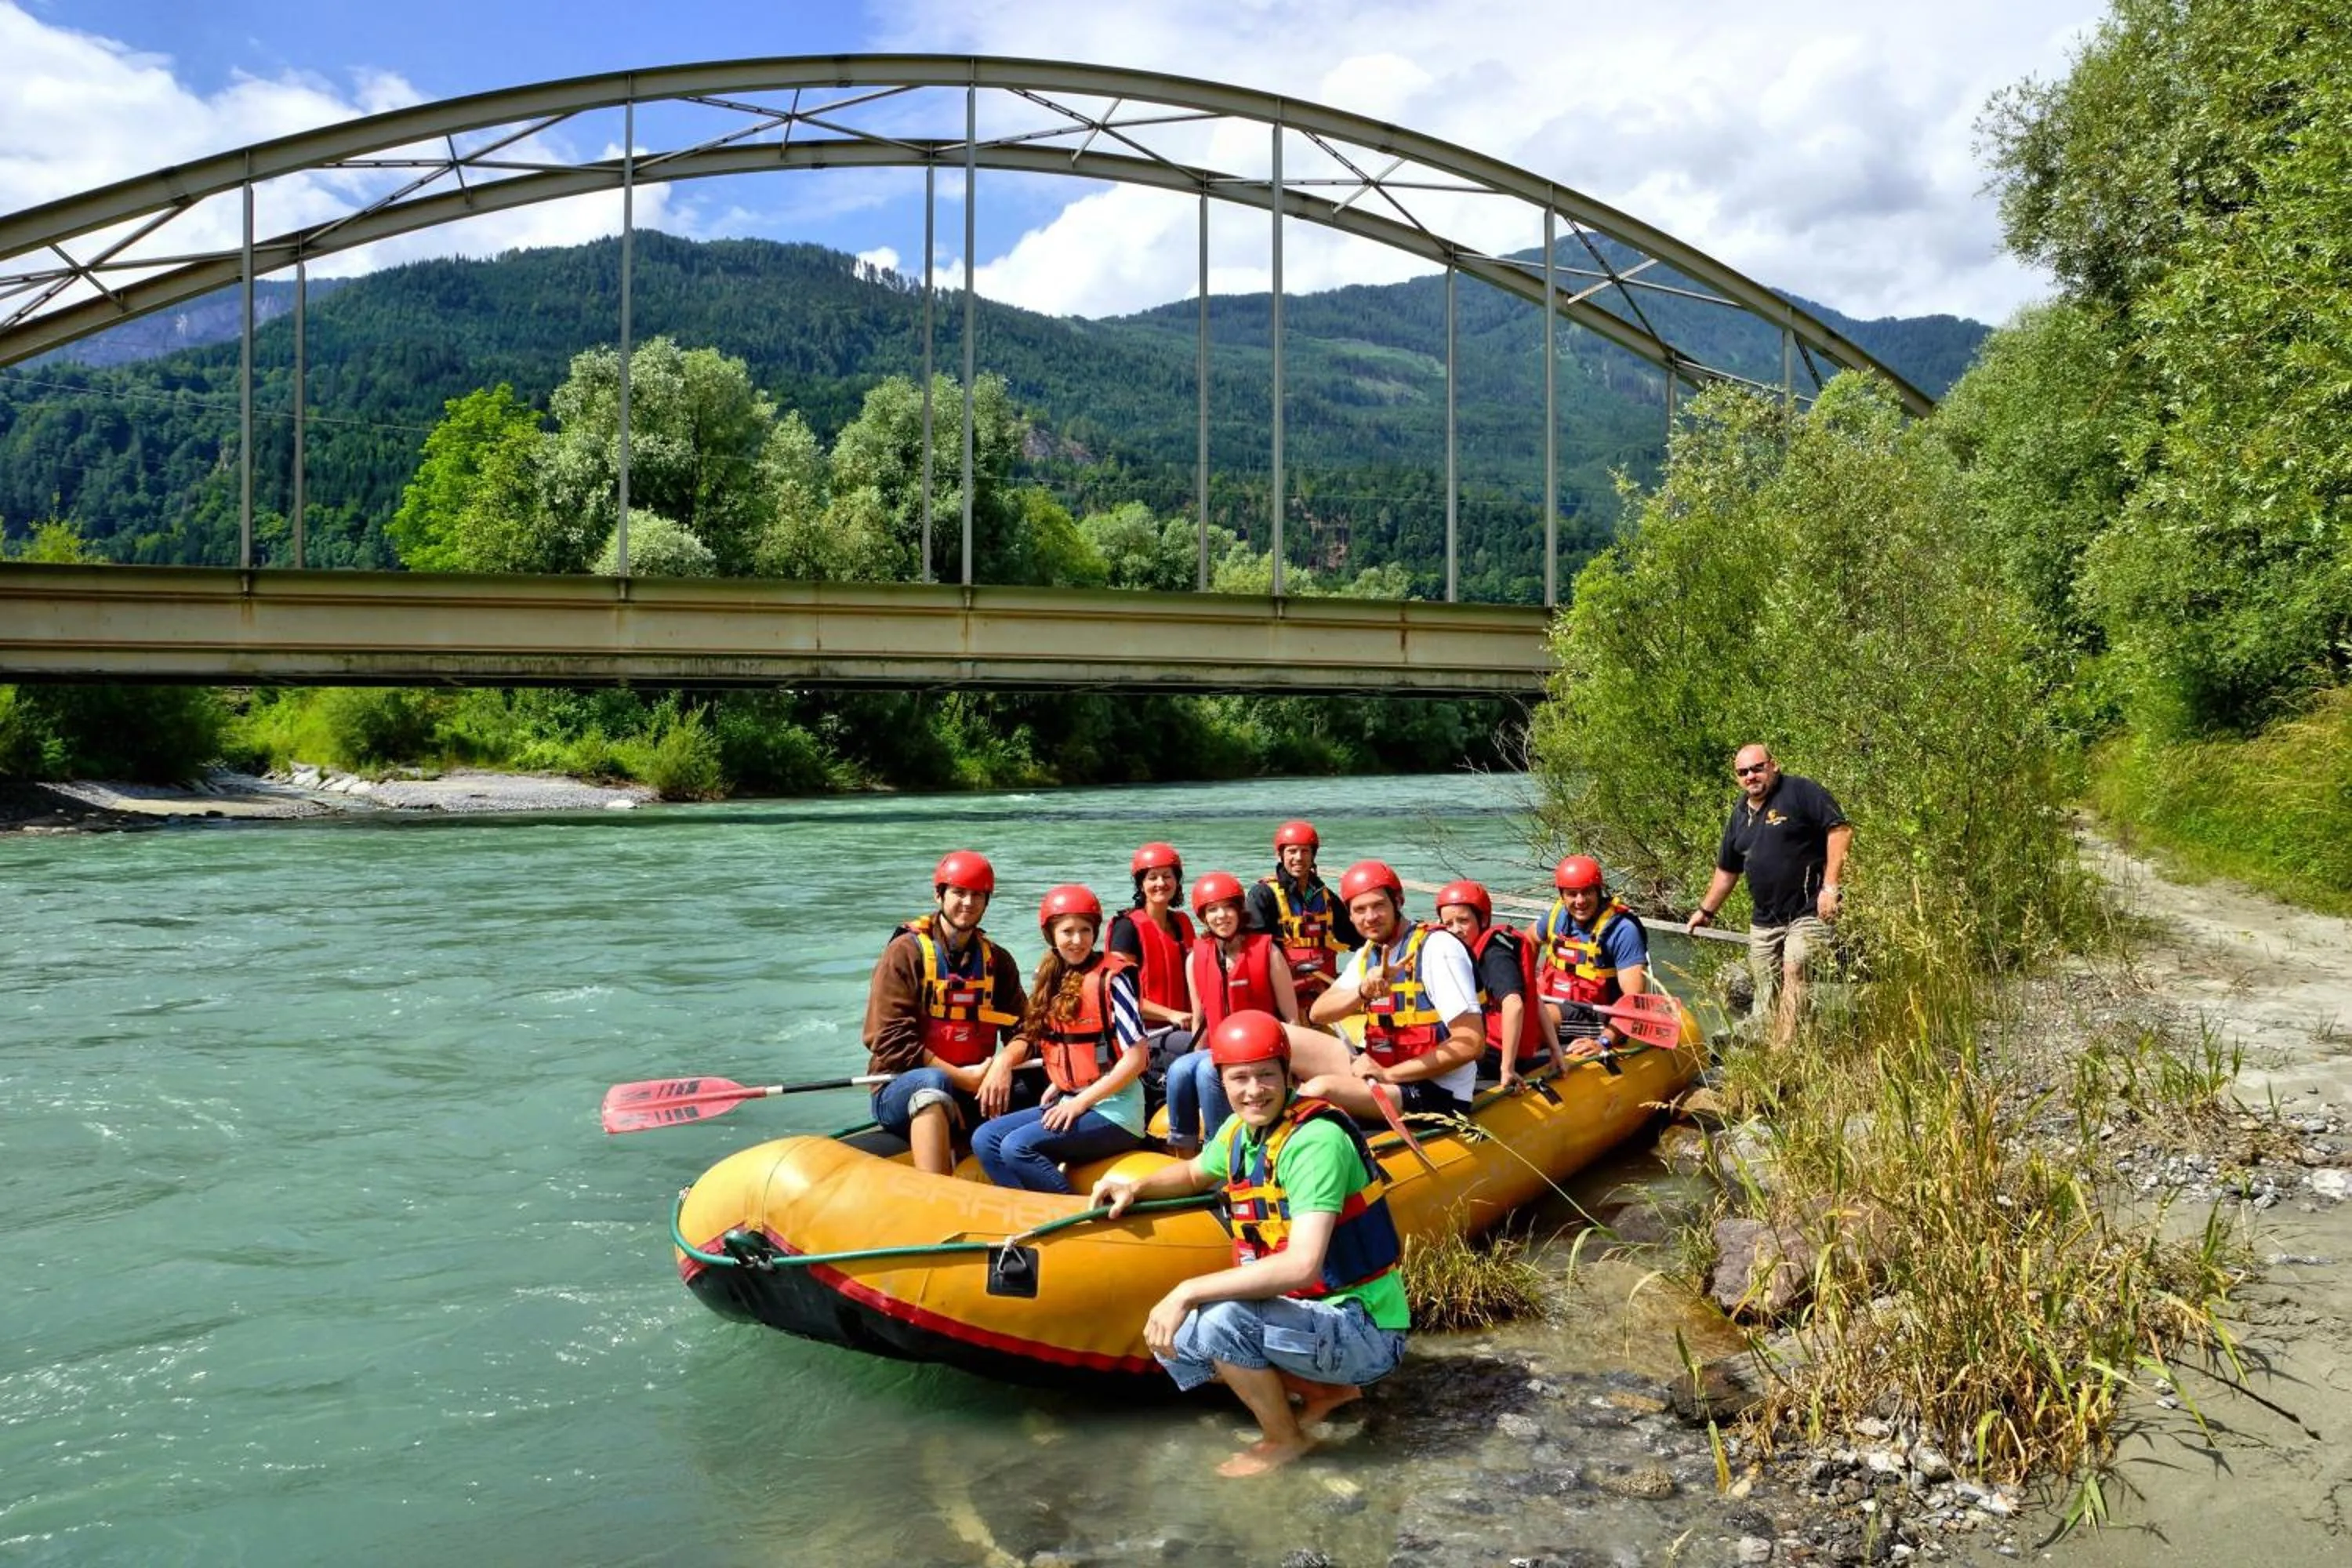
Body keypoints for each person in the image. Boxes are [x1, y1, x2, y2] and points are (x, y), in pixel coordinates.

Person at [1089, 1011, 1409, 1478]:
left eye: (1265, 1075)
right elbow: (1197, 1172)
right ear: (1221, 1080)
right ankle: (1327, 1392)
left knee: (1219, 1320)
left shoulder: (1316, 1142)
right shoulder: (1242, 1131)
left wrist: (1188, 1290)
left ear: (1287, 1074)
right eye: (1239, 1078)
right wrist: (1134, 1187)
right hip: (1311, 1314)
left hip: (1365, 1327)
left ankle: (1285, 1439)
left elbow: (1302, 1266)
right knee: (1177, 1338)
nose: (1253, 1090)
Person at [861, 850, 1032, 1175]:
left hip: (976, 1085)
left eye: (977, 895)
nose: (968, 903)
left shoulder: (998, 960)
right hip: (902, 1086)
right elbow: (889, 1041)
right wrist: (964, 1079)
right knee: (933, 1082)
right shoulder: (904, 953)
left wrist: (1003, 1063)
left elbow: (1028, 1030)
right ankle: (937, 1191)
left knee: (1043, 1074)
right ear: (939, 895)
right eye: (959, 893)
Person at [973, 884, 1149, 1192]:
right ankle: (1030, 1209)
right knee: (985, 1138)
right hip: (1072, 1098)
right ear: (1051, 936)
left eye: (1085, 930)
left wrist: (1079, 1103)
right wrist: (1060, 1082)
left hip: (1116, 1111)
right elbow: (1069, 1043)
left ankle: (1069, 1212)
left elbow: (1137, 1059)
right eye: (1067, 931)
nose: (1078, 940)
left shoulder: (1113, 979)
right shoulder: (1053, 976)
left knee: (1017, 1147)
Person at [1685, 745, 1852, 1044]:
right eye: (1743, 772)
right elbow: (1727, 871)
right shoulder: (1739, 816)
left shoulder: (1800, 791)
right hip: (1765, 919)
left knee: (1796, 966)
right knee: (1767, 986)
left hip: (1809, 909)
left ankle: (1782, 1052)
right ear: (1737, 778)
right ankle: (1776, 1042)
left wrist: (1830, 886)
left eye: (1757, 768)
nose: (1751, 776)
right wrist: (1706, 911)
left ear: (1773, 766)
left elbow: (1839, 830)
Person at [1305, 860, 1485, 1121]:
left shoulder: (1438, 948)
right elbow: (1318, 1014)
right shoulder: (1370, 951)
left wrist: (1389, 1076)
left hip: (1435, 1090)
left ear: (1398, 902)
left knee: (1317, 1089)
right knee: (1279, 1041)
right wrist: (1362, 992)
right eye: (1360, 909)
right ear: (1350, 915)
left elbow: (1471, 1043)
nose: (1370, 917)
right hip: (1383, 1069)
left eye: (1378, 905)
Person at [1163, 869, 1302, 1156]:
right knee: (1179, 1069)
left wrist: (1292, 1072)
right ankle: (1185, 1154)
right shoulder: (1195, 958)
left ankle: (1222, 1151)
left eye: (1228, 908)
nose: (1222, 916)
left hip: (1261, 1050)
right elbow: (1200, 1020)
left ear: (1240, 911)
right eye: (1212, 910)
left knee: (1205, 1071)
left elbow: (1291, 1018)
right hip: (1220, 1050)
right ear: (1203, 917)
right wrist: (1194, 1052)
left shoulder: (1268, 952)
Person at [1432, 880, 1548, 1091]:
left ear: (1483, 919)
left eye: (1463, 921)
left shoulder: (1495, 956)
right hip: (1484, 1043)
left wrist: (1507, 1068)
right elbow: (1536, 998)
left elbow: (1515, 1005)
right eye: (1448, 924)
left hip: (1494, 1053)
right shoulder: (1461, 952)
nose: (1456, 930)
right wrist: (1557, 1051)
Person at [1534, 855, 1651, 1059]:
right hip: (1557, 1000)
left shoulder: (1623, 930)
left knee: (1534, 1019)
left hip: (1598, 1014)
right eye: (1572, 894)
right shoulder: (1556, 916)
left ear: (1598, 891)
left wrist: (1604, 1041)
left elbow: (1634, 999)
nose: (1580, 901)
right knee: (1508, 1013)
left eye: (1587, 892)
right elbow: (1528, 941)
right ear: (1562, 895)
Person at [1246, 820, 1358, 1006]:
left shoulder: (1326, 896)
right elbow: (1255, 949)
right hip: (1284, 992)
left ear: (1313, 855)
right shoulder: (1263, 894)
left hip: (1323, 990)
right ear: (1280, 855)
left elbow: (1353, 937)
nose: (1299, 857)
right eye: (1292, 851)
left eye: (1305, 851)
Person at [1107, 842, 1196, 1034]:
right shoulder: (1127, 928)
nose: (1161, 884)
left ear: (1177, 882)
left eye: (1167, 876)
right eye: (1152, 877)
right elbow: (1118, 992)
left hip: (1184, 1024)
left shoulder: (1183, 922)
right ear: (1141, 884)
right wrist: (1171, 1015)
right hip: (1145, 1034)